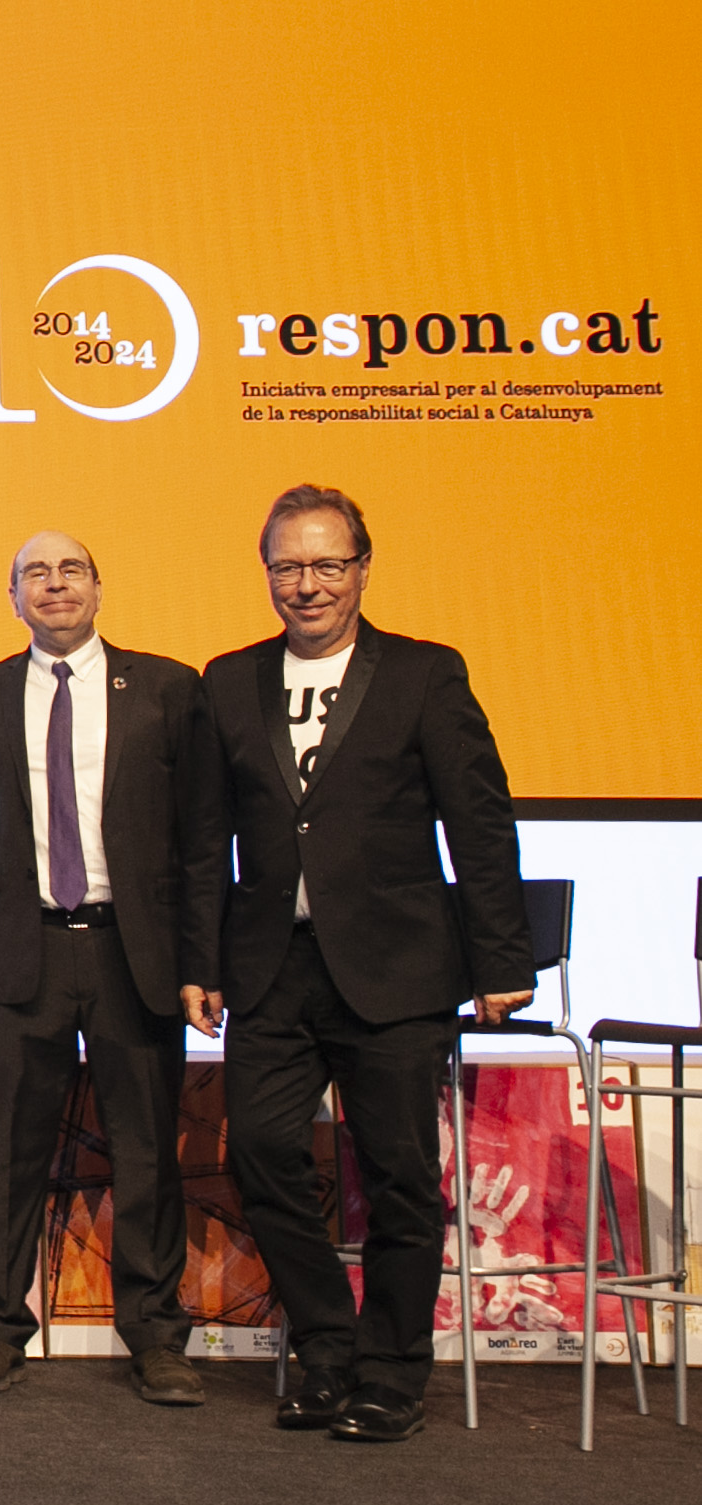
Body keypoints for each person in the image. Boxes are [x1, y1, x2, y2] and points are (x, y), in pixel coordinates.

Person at [197, 485, 532, 1442]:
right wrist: (198, 960)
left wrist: (501, 956)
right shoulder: (231, 678)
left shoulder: (426, 672)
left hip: (397, 968)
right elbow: (202, 837)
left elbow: (479, 821)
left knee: (397, 1176)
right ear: (267, 573)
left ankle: (390, 1372)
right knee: (261, 1152)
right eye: (288, 566)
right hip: (271, 969)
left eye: (326, 564)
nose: (307, 584)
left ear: (363, 568)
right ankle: (327, 1350)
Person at [0, 531, 226, 1407]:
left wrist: (200, 959)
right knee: (10, 1149)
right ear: (13, 597)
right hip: (17, 946)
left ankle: (157, 1337)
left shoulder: (169, 687)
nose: (54, 584)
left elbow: (203, 838)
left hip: (132, 950)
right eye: (35, 572)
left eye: (71, 570)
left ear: (99, 587)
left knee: (146, 1151)